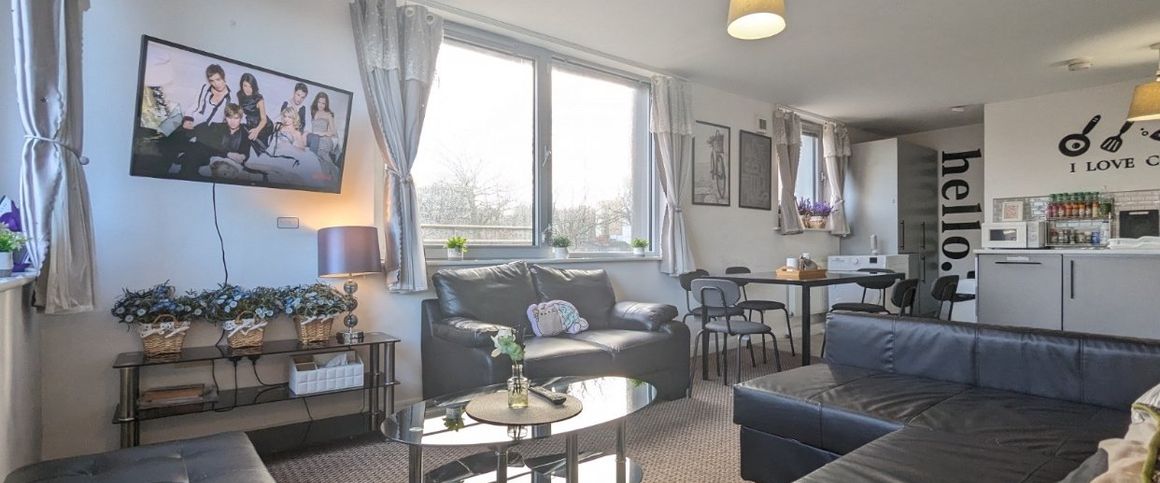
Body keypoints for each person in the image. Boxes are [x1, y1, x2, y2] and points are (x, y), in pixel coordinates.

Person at [183, 103, 252, 178]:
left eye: (236, 118)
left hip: (231, 162)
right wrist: (227, 154)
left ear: (241, 118)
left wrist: (242, 156)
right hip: (213, 158)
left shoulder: (245, 133)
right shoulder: (217, 127)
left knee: (224, 172)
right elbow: (210, 147)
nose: (233, 122)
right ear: (225, 118)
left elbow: (246, 152)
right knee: (197, 147)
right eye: (230, 118)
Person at [236, 73, 273, 153]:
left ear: (254, 87)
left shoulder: (259, 98)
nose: (248, 89)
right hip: (250, 123)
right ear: (241, 85)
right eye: (245, 86)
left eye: (250, 86)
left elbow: (264, 119)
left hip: (263, 125)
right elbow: (241, 110)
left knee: (259, 148)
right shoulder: (239, 95)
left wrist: (257, 130)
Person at [307, 92, 339, 164]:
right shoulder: (314, 111)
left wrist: (321, 133)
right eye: (319, 102)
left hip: (324, 139)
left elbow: (333, 132)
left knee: (320, 152)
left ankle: (330, 168)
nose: (321, 105)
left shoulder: (328, 115)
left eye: (323, 103)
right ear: (316, 102)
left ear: (326, 104)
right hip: (314, 138)